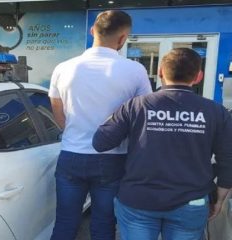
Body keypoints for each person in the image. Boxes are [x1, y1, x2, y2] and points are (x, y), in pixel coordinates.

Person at [92, 48, 232, 240]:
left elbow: (100, 142)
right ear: (199, 76)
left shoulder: (135, 106)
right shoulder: (216, 112)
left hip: (138, 200)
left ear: (159, 72)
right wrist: (220, 198)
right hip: (191, 202)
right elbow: (228, 158)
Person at [49, 10, 152, 240]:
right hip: (113, 157)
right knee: (104, 224)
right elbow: (142, 115)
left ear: (92, 31)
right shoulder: (135, 70)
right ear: (123, 38)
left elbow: (57, 111)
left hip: (71, 154)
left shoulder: (63, 68)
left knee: (65, 222)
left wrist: (75, 133)